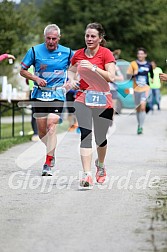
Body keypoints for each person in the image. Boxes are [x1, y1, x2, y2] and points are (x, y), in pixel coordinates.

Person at [20, 24, 73, 176]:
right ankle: (51, 150)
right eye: (48, 38)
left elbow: (77, 67)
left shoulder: (67, 52)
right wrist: (35, 78)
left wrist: (71, 81)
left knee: (51, 125)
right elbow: (22, 71)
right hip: (39, 95)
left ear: (59, 38)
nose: (51, 42)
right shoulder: (34, 51)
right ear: (44, 38)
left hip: (57, 94)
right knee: (43, 132)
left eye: (54, 39)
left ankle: (48, 162)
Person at [68, 22, 115, 188]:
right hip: (83, 98)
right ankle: (87, 174)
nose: (89, 39)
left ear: (100, 38)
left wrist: (94, 68)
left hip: (104, 99)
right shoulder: (79, 54)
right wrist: (72, 80)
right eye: (87, 35)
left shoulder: (106, 54)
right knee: (85, 134)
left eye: (93, 36)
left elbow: (111, 77)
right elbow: (71, 70)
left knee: (101, 138)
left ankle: (100, 166)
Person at [127, 48, 153, 134]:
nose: (140, 55)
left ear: (145, 55)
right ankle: (139, 124)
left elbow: (151, 74)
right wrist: (134, 74)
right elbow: (128, 76)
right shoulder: (133, 64)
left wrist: (152, 80)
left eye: (142, 54)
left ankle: (141, 127)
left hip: (145, 88)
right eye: (139, 54)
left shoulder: (149, 65)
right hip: (136, 89)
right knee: (138, 109)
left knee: (142, 107)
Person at [26, 65, 39, 141]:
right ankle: (36, 133)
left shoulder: (29, 68)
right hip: (34, 91)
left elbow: (27, 81)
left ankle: (37, 133)